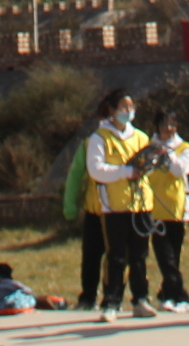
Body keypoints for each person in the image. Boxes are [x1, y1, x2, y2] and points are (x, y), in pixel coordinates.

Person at [83, 88, 157, 320]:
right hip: (114, 205)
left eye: (131, 107)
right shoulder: (100, 138)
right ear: (112, 110)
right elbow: (96, 170)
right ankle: (112, 302)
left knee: (139, 254)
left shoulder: (141, 137)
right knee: (116, 255)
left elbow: (149, 164)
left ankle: (140, 299)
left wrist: (151, 163)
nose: (128, 111)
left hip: (141, 204)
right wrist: (126, 172)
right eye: (124, 107)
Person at [148, 112, 189, 313]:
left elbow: (179, 170)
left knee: (173, 256)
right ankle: (181, 296)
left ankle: (167, 294)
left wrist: (167, 152)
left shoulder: (185, 148)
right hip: (154, 209)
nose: (168, 129)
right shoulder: (148, 147)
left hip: (177, 209)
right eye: (165, 125)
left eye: (172, 125)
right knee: (164, 256)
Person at [59, 111, 103, 310]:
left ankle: (114, 298)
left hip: (121, 211)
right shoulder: (89, 144)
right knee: (91, 256)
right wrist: (70, 207)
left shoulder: (135, 139)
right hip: (94, 209)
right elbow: (76, 176)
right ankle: (88, 297)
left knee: (119, 258)